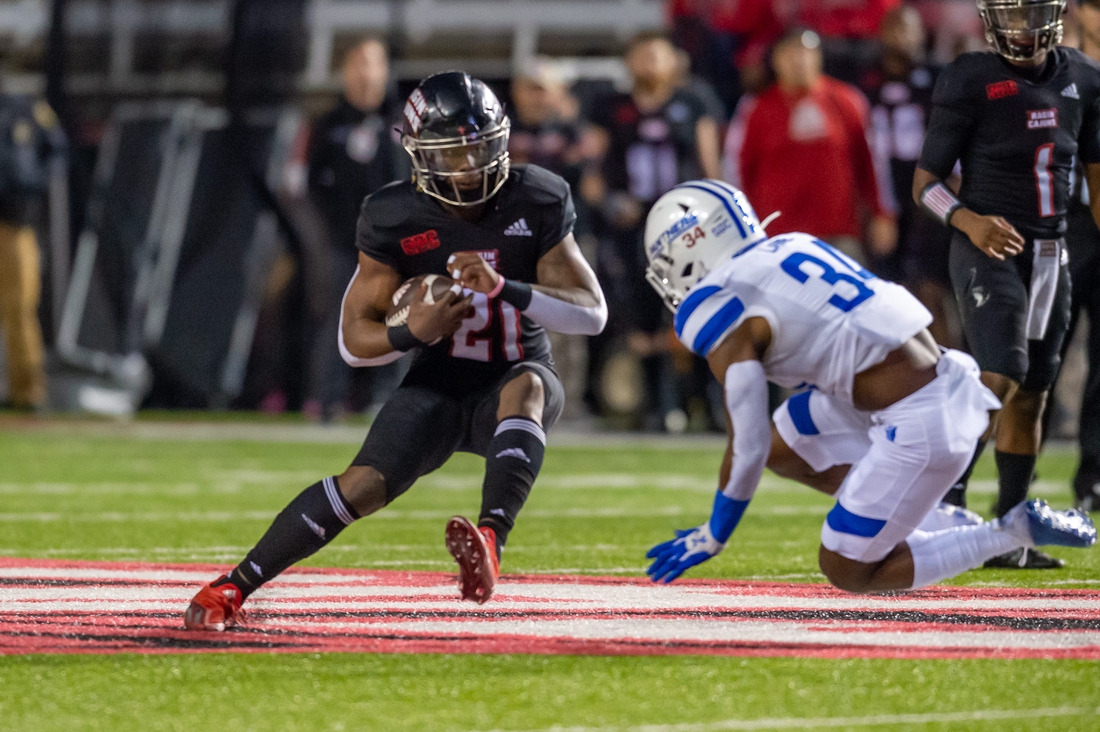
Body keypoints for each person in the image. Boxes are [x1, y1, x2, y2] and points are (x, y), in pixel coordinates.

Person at [183, 72, 607, 629]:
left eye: (480, 147)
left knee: (526, 389)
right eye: (453, 153)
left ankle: (490, 540)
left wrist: (505, 288)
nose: (470, 165)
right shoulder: (393, 215)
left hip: (517, 371)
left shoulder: (537, 196)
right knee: (362, 484)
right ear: (419, 157)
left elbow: (591, 312)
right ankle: (234, 587)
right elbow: (353, 343)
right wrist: (414, 331)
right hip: (438, 383)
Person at [640, 180, 1095, 589]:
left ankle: (1012, 531)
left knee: (846, 568)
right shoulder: (790, 245)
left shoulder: (722, 302)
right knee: (787, 442)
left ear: (690, 247)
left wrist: (716, 533)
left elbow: (747, 443)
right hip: (935, 385)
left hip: (923, 426)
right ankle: (930, 515)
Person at [912, 0, 1100, 567]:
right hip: (985, 246)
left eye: (1031, 14)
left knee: (1035, 391)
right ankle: (943, 506)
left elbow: (1095, 175)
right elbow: (926, 183)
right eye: (1010, 16)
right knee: (1000, 374)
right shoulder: (971, 76)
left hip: (1052, 250)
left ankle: (1012, 534)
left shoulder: (1085, 79)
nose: (1021, 28)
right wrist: (970, 221)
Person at [583, 30, 722, 429]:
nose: (650, 64)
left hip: (685, 227)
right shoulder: (610, 107)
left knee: (695, 311)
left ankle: (704, 403)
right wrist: (607, 202)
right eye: (641, 55)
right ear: (628, 62)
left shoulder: (693, 102)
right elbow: (593, 174)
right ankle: (654, 406)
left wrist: (712, 217)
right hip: (633, 227)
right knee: (641, 316)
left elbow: (710, 166)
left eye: (657, 56)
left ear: (673, 61)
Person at [730, 28, 896, 267]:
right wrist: (742, 226)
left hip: (839, 232)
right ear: (775, 60)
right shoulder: (755, 108)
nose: (799, 60)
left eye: (806, 52)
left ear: (818, 57)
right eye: (790, 53)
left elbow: (872, 162)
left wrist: (882, 214)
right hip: (777, 238)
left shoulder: (848, 100)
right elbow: (737, 170)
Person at [306, 37, 408, 421]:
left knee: (401, 315)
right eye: (359, 64)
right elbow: (313, 183)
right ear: (347, 72)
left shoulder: (399, 123)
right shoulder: (330, 124)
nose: (367, 74)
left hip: (396, 244)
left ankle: (389, 400)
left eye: (374, 64)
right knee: (341, 316)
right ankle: (326, 399)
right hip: (345, 241)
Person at [859, 6, 960, 346]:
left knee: (935, 282)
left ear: (922, 34)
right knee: (892, 283)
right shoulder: (866, 78)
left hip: (935, 185)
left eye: (910, 29)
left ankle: (949, 360)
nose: (902, 37)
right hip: (884, 188)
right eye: (895, 29)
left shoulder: (940, 76)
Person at [1049, 0, 1100, 512]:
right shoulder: (1058, 66)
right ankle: (1016, 473)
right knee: (1043, 351)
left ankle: (1094, 478)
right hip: (1065, 221)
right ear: (1079, 11)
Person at [0, 94, 64, 413]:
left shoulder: (25, 107)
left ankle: (27, 392)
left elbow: (57, 150)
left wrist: (32, 182)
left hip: (15, 220)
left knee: (21, 306)